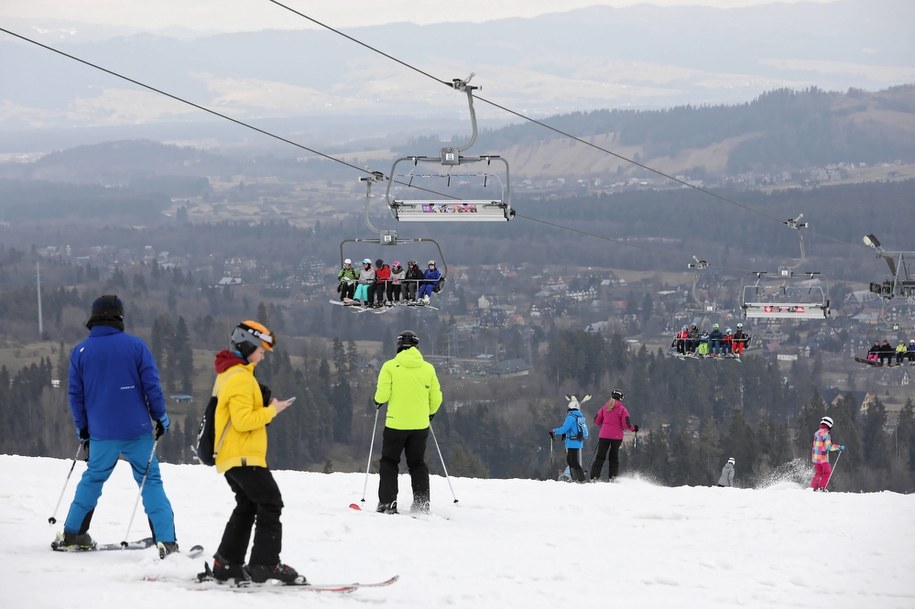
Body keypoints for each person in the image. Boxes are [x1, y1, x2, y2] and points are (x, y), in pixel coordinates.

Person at [58, 295, 178, 556]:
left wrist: (83, 428)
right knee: (150, 481)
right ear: (119, 317)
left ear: (93, 317)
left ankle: (72, 533)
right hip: (137, 431)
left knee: (93, 479)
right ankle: (166, 541)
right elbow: (152, 387)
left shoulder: (80, 352)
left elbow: (76, 396)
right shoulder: (136, 347)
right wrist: (161, 417)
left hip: (101, 433)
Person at [209, 320, 299, 584]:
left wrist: (265, 405)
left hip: (234, 456)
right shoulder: (239, 377)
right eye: (260, 350)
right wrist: (272, 410)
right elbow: (243, 421)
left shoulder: (232, 374)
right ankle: (265, 564)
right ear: (247, 346)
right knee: (271, 503)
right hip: (243, 456)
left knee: (247, 505)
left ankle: (226, 564)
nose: (263, 355)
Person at [374, 330, 443, 514]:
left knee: (389, 461)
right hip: (420, 426)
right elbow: (436, 398)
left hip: (395, 425)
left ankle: (387, 502)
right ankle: (422, 503)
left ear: (398, 346)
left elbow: (382, 396)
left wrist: (377, 401)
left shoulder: (389, 367)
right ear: (416, 346)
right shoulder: (428, 368)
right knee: (417, 463)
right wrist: (429, 413)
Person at [589, 389, 638, 482]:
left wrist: (605, 425)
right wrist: (634, 428)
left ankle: (594, 477)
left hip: (604, 435)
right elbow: (626, 425)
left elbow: (597, 420)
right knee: (613, 458)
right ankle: (613, 477)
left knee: (600, 457)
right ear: (621, 398)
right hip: (616, 437)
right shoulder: (622, 409)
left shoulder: (604, 407)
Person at [551, 395, 590, 483]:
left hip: (572, 442)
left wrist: (554, 431)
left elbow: (564, 429)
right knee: (571, 461)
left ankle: (581, 479)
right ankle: (575, 478)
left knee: (573, 462)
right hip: (577, 441)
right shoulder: (579, 417)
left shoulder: (570, 418)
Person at [809, 415, 844, 491]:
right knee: (827, 472)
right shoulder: (826, 434)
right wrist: (839, 447)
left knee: (818, 473)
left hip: (815, 457)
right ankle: (821, 488)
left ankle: (813, 488)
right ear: (829, 425)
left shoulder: (816, 433)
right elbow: (829, 447)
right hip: (823, 458)